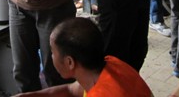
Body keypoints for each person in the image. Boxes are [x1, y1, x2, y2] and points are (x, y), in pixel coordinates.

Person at [13, 17, 153, 97]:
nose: (51, 56)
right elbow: (70, 90)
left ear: (69, 62)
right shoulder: (111, 64)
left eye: (52, 52)